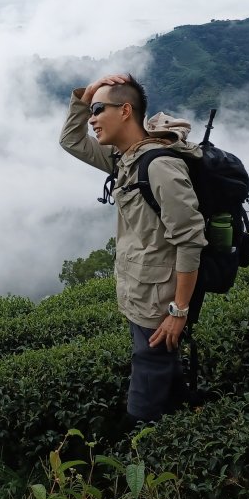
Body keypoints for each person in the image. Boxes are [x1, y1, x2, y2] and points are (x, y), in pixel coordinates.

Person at [60, 73, 207, 424]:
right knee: (162, 376)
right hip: (141, 294)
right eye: (90, 110)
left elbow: (189, 241)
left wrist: (178, 310)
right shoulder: (124, 158)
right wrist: (86, 96)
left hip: (159, 304)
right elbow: (71, 140)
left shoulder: (159, 166)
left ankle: (145, 464)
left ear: (125, 111)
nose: (92, 117)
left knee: (142, 409)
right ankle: (184, 426)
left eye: (98, 109)